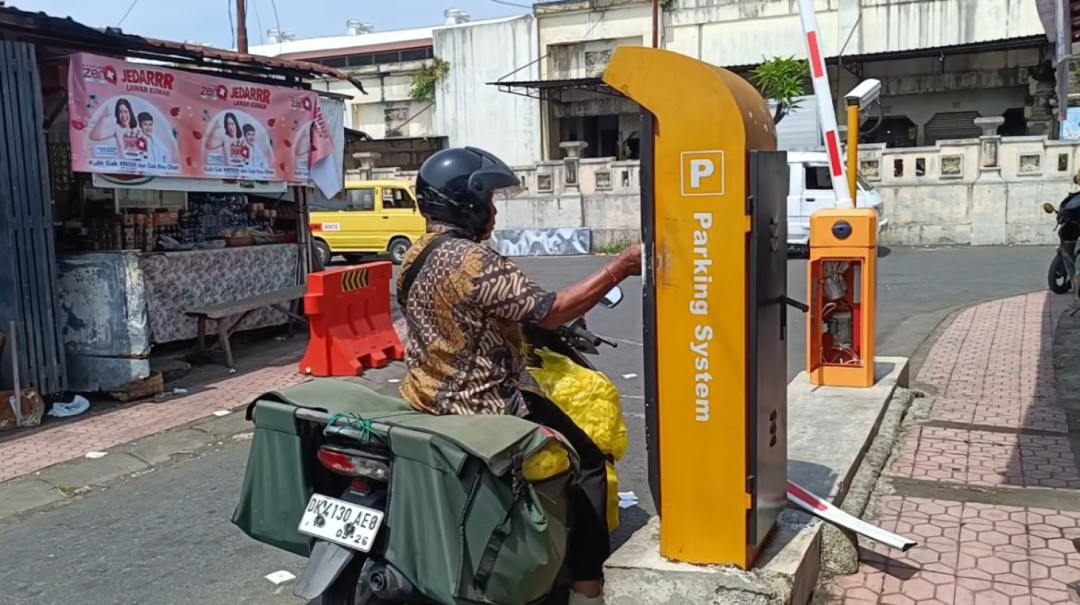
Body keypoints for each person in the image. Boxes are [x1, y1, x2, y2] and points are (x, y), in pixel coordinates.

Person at [397, 147, 641, 605]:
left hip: (425, 394)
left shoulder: (414, 255)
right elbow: (549, 312)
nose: (492, 208)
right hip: (483, 400)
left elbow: (476, 311)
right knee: (587, 460)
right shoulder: (472, 260)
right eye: (487, 198)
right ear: (464, 202)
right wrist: (620, 267)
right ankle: (588, 586)